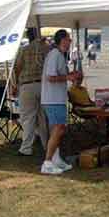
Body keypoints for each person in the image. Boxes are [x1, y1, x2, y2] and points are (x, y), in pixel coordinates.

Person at [40, 29, 80, 175]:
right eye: (68, 39)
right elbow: (51, 77)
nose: (70, 42)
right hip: (52, 99)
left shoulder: (59, 55)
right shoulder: (55, 55)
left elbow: (57, 76)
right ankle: (47, 162)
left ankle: (56, 159)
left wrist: (70, 75)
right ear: (62, 40)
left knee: (58, 129)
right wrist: (69, 77)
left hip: (56, 98)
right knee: (58, 128)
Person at [12, 27, 50, 156]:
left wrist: (15, 84)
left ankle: (26, 147)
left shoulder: (24, 50)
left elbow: (17, 68)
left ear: (29, 37)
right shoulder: (46, 49)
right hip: (44, 85)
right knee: (43, 117)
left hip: (27, 85)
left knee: (28, 117)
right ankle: (47, 145)